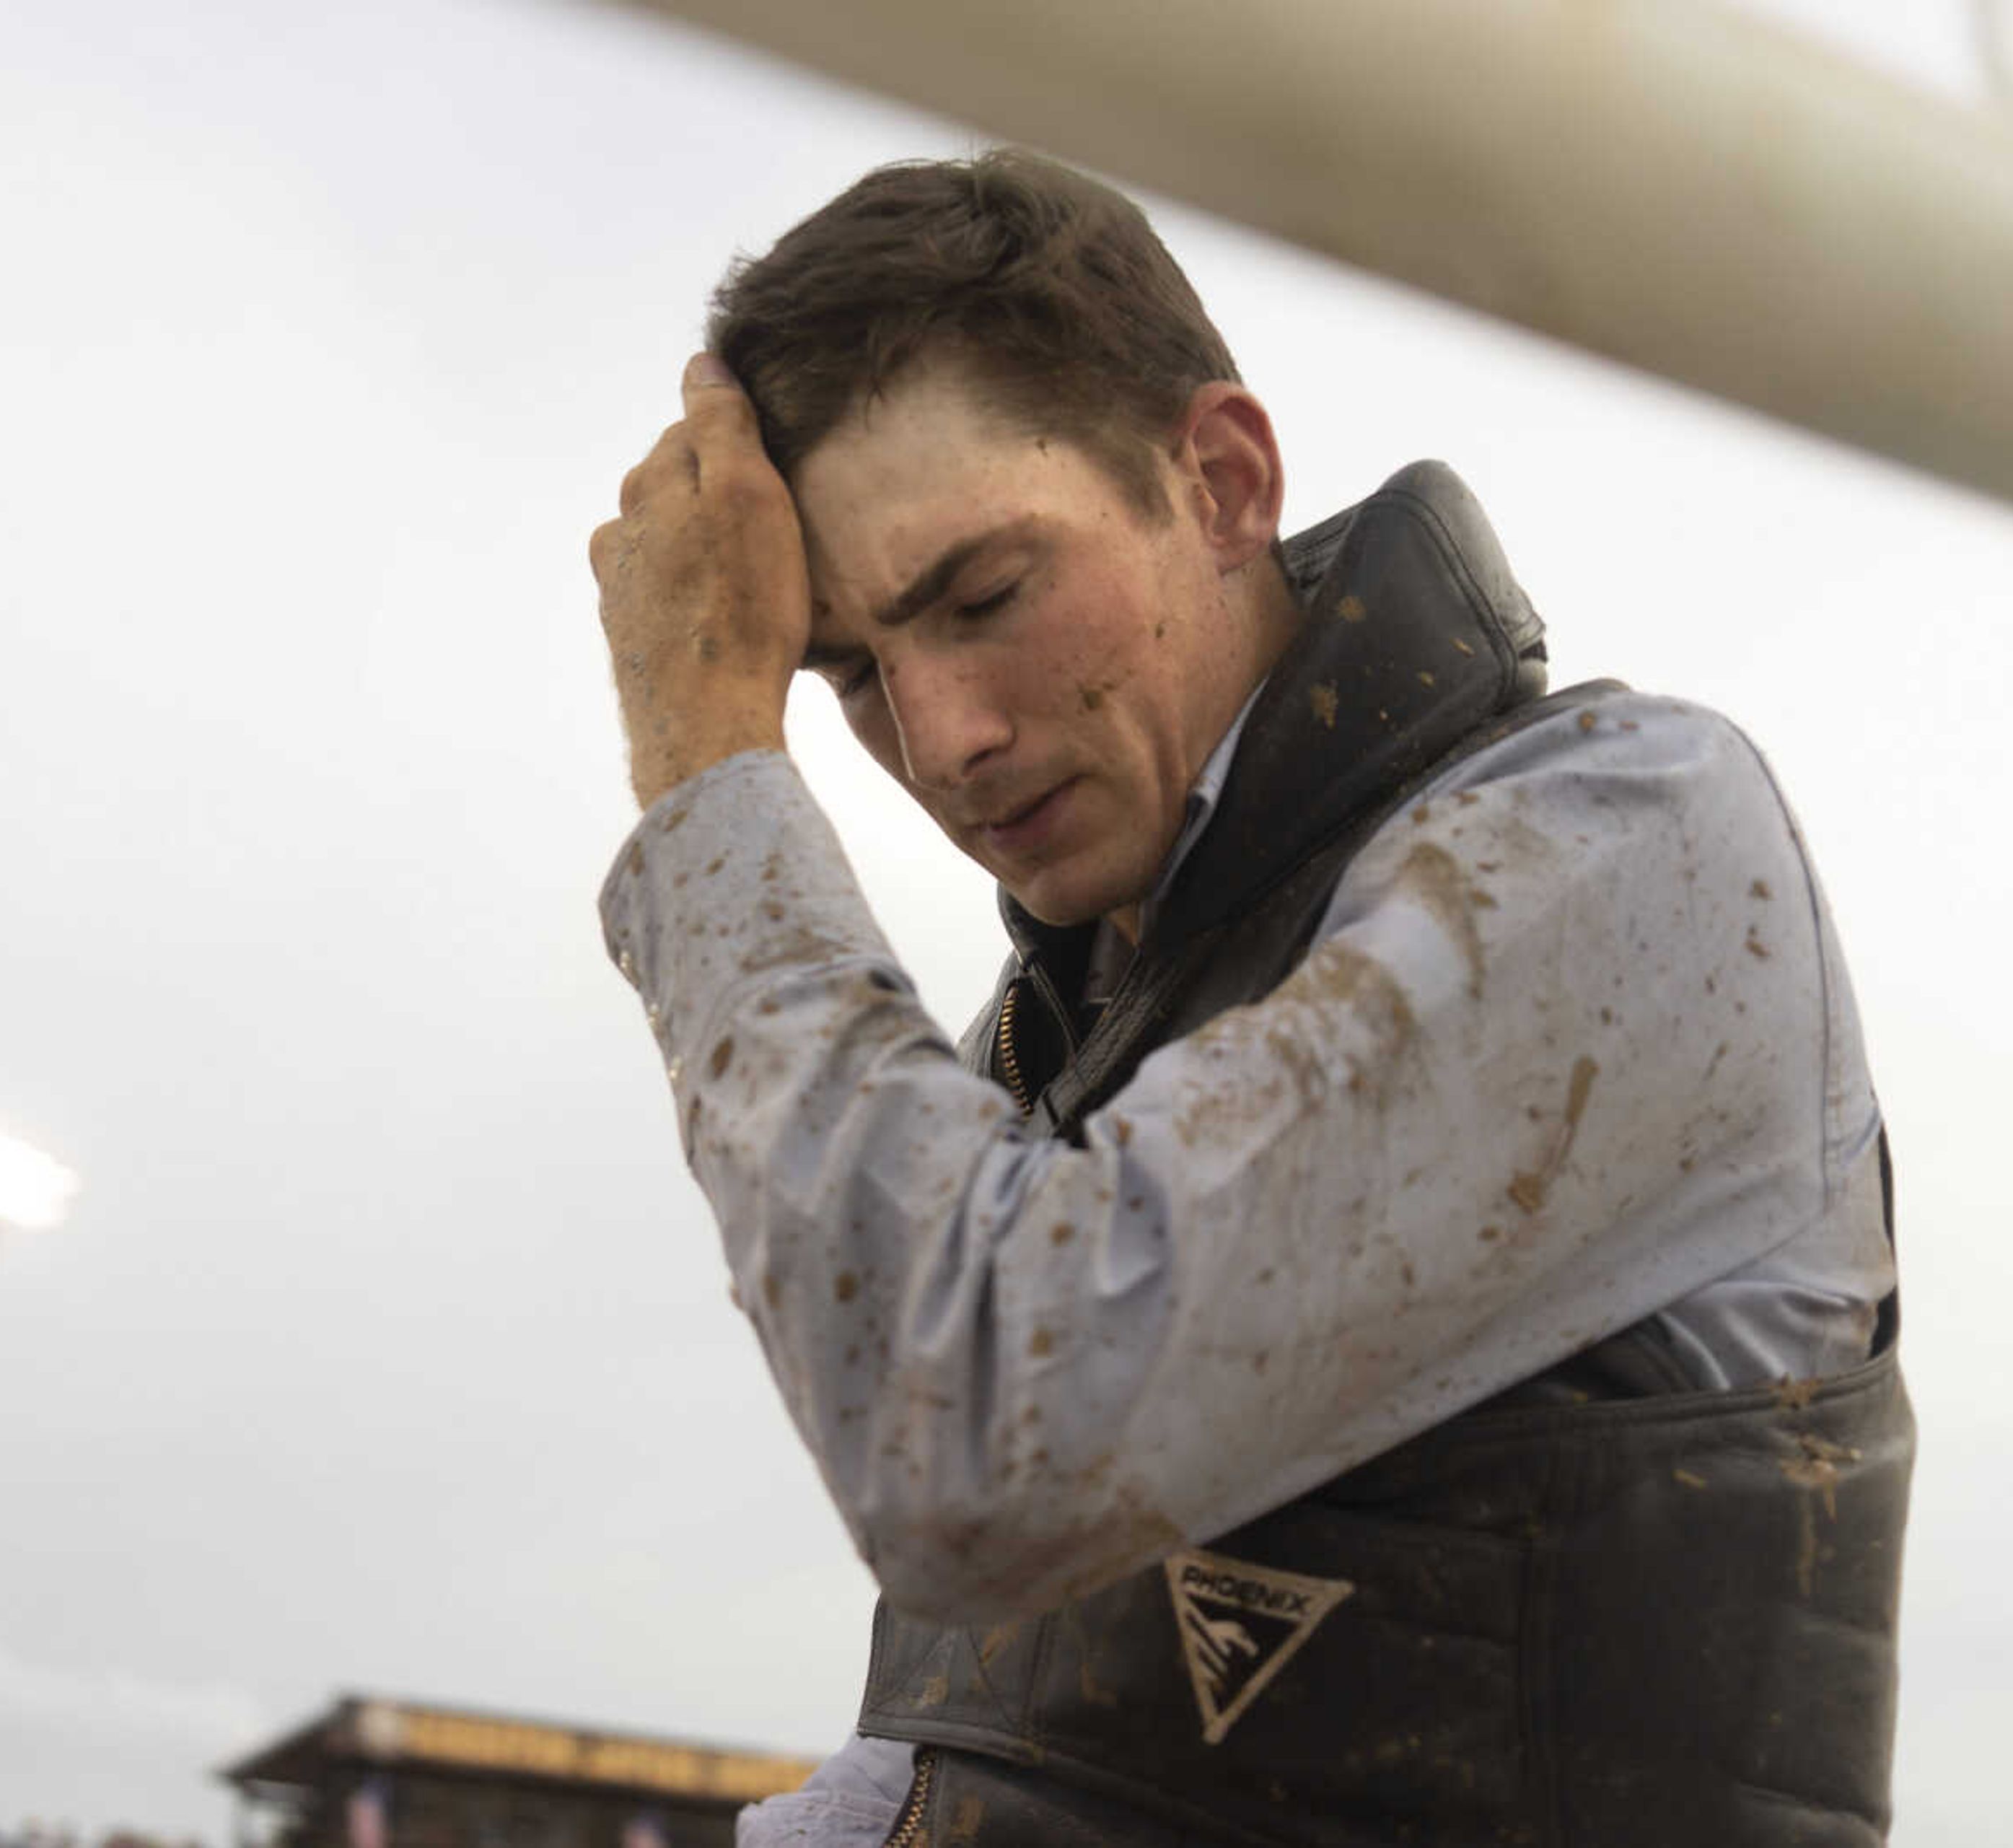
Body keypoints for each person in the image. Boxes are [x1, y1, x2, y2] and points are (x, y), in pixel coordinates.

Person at [589, 152, 1910, 1847]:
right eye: (847, 671)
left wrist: (708, 773)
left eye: (986, 597)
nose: (939, 740)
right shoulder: (1062, 1038)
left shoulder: (1628, 841)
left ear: (1221, 481)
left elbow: (981, 1434)